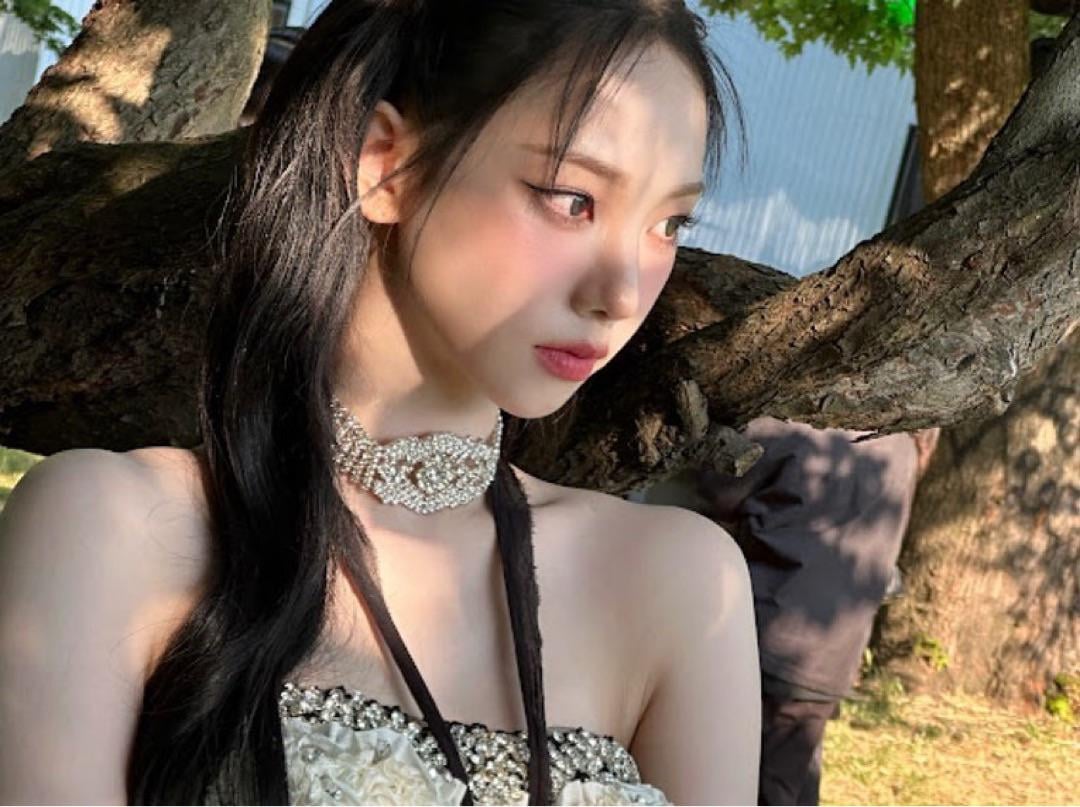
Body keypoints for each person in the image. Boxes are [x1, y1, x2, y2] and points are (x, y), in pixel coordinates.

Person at [0, 2, 761, 804]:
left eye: (669, 223)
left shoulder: (679, 582)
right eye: (573, 199)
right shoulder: (114, 530)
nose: (623, 292)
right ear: (385, 162)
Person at [698, 417, 939, 805]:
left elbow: (716, 481)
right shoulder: (903, 448)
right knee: (791, 783)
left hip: (766, 642)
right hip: (833, 657)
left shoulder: (798, 428)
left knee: (733, 785)